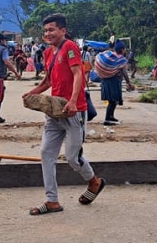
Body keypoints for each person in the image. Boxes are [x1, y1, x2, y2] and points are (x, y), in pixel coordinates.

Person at [22, 13, 105, 216]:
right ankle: (52, 201)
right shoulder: (49, 53)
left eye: (52, 29)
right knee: (46, 154)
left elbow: (78, 74)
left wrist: (74, 101)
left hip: (74, 111)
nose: (48, 33)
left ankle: (94, 182)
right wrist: (32, 94)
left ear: (63, 30)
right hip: (54, 110)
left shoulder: (70, 47)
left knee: (71, 158)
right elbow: (48, 81)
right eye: (46, 30)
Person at [99, 40, 135, 126]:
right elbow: (124, 72)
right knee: (112, 101)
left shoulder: (110, 55)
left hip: (106, 80)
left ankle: (111, 116)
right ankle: (107, 120)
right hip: (113, 81)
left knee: (113, 100)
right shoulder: (121, 59)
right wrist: (129, 83)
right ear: (122, 50)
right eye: (125, 49)